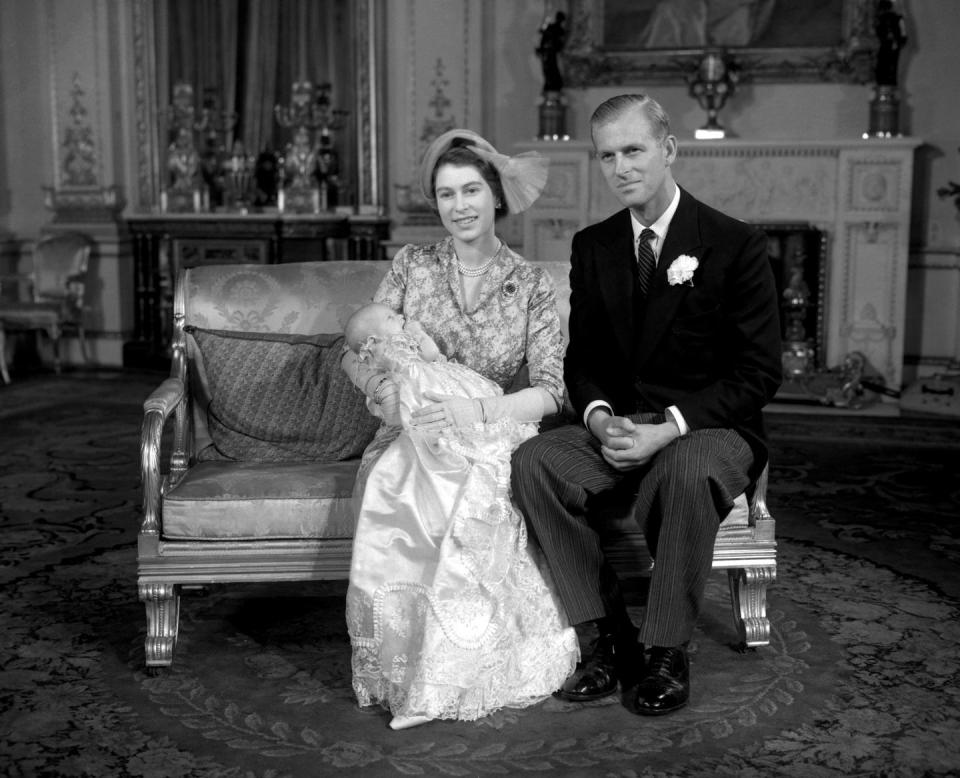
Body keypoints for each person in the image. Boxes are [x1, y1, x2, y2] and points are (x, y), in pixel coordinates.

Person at [511, 93, 782, 717]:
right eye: (607, 155)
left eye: (633, 150)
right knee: (535, 463)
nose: (621, 167)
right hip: (623, 422)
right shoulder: (594, 245)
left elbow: (759, 373)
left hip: (710, 425)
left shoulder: (734, 244)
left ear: (668, 149)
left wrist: (673, 428)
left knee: (684, 471)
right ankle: (605, 636)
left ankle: (666, 649)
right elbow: (585, 361)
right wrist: (602, 416)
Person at [340, 129, 578, 730]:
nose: (459, 206)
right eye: (446, 194)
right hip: (411, 430)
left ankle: (469, 661)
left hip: (488, 427)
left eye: (471, 189)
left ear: (495, 195)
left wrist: (474, 414)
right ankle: (414, 663)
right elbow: (357, 348)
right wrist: (378, 388)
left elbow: (551, 392)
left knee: (479, 493)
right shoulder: (412, 266)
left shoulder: (531, 285)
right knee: (401, 483)